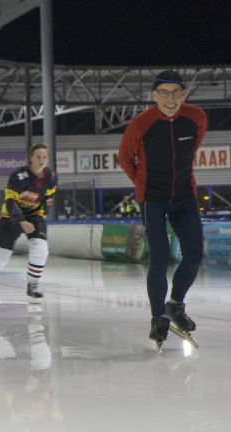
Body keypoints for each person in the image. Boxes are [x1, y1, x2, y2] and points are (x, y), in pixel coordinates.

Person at [117, 70, 206, 348]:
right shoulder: (140, 124)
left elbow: (193, 149)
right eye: (163, 93)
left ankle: (175, 305)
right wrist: (141, 183)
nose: (170, 98)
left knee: (193, 255)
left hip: (184, 195)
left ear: (184, 95)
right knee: (160, 258)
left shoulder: (197, 118)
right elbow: (124, 157)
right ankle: (158, 317)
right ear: (154, 96)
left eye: (176, 92)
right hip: (151, 198)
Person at [0, 143, 56, 304]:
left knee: (41, 249)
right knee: (1, 255)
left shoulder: (51, 177)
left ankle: (33, 286)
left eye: (44, 157)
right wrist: (21, 221)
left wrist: (41, 216)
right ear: (31, 158)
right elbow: (10, 202)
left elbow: (48, 199)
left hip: (34, 215)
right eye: (38, 156)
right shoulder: (18, 176)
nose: (41, 160)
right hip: (10, 216)